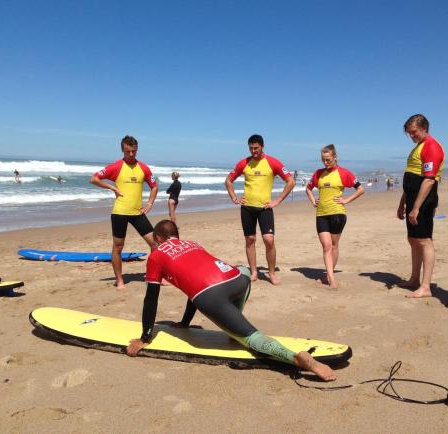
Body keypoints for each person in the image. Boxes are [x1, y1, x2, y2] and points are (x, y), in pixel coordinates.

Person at [126, 220, 336, 381]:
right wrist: (185, 323)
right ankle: (233, 326)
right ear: (176, 236)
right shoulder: (192, 243)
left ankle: (295, 358)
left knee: (252, 338)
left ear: (158, 239)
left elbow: (151, 298)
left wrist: (145, 337)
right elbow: (194, 286)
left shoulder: (157, 255)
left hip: (211, 295)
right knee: (242, 271)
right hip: (238, 279)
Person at [225, 134, 295, 285]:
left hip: (265, 208)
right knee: (250, 240)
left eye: (256, 148)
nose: (253, 151)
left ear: (263, 146)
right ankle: (254, 271)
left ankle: (271, 273)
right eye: (251, 148)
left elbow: (290, 181)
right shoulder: (244, 163)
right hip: (247, 208)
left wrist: (278, 200)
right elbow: (228, 180)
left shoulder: (272, 162)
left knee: (269, 240)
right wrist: (234, 198)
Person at [90, 135, 158, 290]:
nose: (131, 154)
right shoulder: (116, 166)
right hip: (120, 212)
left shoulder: (144, 168)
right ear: (123, 150)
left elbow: (154, 186)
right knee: (118, 247)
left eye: (134, 151)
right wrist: (112, 187)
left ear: (137, 149)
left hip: (137, 213)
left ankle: (152, 275)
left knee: (155, 244)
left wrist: (149, 203)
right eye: (128, 151)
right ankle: (119, 280)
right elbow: (94, 179)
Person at [396, 114, 444, 298]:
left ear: (424, 128)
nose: (412, 136)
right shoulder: (419, 147)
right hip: (413, 199)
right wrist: (402, 204)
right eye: (409, 133)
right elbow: (411, 181)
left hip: (424, 200)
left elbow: (428, 181)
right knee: (413, 240)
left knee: (424, 241)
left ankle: (425, 286)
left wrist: (416, 207)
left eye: (414, 132)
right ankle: (414, 279)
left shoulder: (431, 146)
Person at [306, 145, 364, 289]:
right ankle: (331, 278)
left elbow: (360, 189)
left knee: (334, 245)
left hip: (338, 214)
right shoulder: (318, 173)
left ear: (335, 157)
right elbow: (308, 188)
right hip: (321, 214)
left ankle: (328, 274)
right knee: (326, 246)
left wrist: (346, 200)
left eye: (328, 160)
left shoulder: (344, 173)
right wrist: (314, 201)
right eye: (323, 160)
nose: (325, 163)